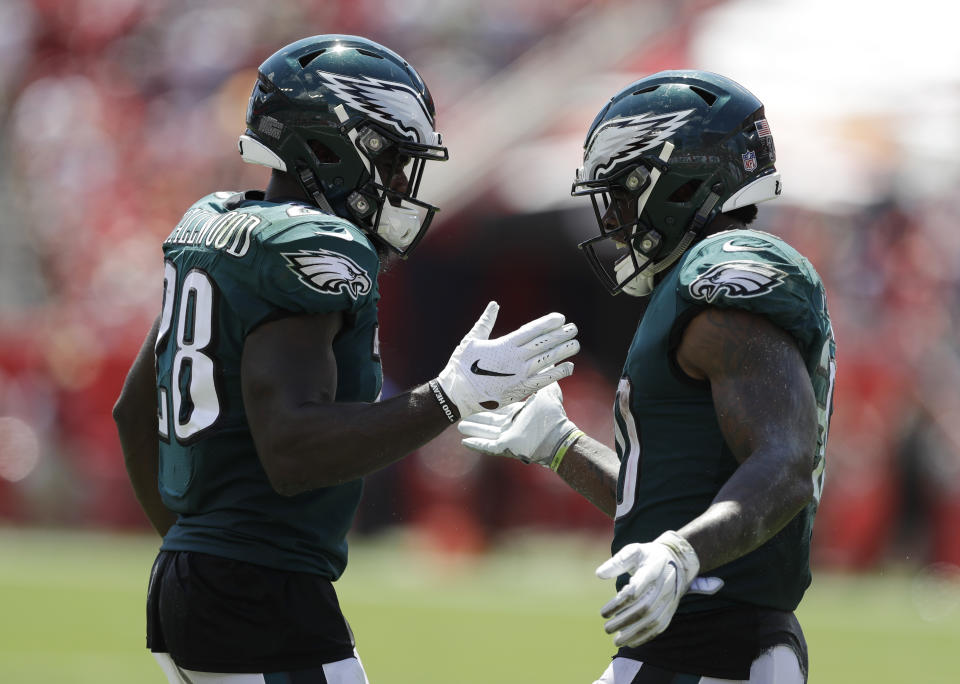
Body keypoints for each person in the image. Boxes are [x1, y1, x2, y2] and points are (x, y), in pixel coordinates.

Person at [112, 34, 579, 684]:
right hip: (261, 593)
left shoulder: (214, 226)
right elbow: (294, 448)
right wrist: (449, 397)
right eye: (388, 157)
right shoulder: (313, 243)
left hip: (199, 582)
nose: (396, 181)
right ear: (328, 146)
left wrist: (192, 549)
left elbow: (133, 414)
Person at [459, 70, 835, 683]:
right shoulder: (690, 286)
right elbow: (668, 505)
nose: (613, 220)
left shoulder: (724, 276)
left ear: (682, 182)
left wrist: (684, 555)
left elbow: (786, 462)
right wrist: (563, 447)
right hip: (698, 644)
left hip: (713, 650)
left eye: (624, 194)